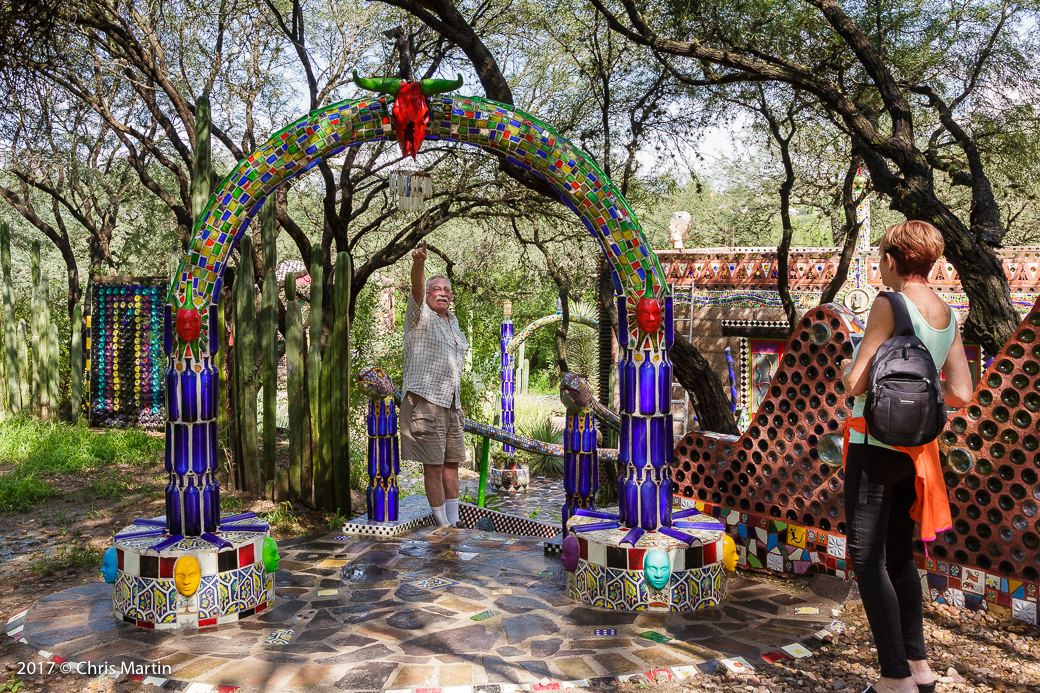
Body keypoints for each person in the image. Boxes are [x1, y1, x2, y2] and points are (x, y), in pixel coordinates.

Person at [839, 221, 973, 693]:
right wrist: (919, 392)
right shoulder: (947, 313)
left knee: (866, 557)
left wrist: (852, 369)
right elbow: (961, 392)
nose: (880, 265)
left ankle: (894, 677)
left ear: (893, 260)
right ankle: (919, 668)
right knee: (900, 555)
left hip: (873, 445)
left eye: (881, 257)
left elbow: (855, 383)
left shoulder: (888, 303)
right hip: (916, 451)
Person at [402, 240, 469, 527]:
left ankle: (454, 523)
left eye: (447, 290)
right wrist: (419, 264)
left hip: (451, 403)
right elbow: (416, 289)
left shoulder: (453, 321)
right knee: (434, 465)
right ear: (428, 294)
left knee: (452, 464)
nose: (443, 293)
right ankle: (442, 525)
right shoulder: (420, 315)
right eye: (436, 289)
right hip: (426, 401)